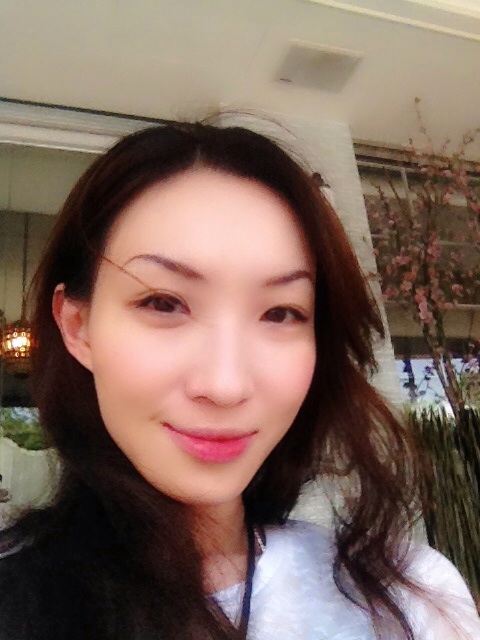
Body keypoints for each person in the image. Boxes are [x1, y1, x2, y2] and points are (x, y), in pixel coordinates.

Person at [0, 121, 478, 640]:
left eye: (280, 312)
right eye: (163, 303)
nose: (226, 386)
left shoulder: (407, 599)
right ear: (77, 326)